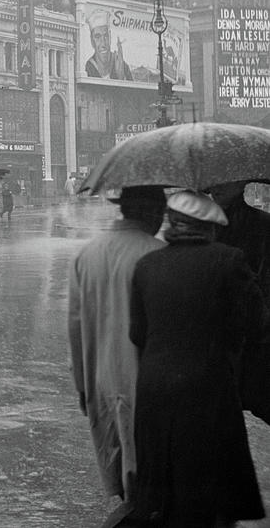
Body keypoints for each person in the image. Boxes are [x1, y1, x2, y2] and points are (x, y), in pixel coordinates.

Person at [126, 189, 266, 527]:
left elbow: (137, 334)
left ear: (172, 224)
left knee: (162, 468)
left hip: (153, 386)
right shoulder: (229, 260)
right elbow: (255, 322)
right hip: (208, 385)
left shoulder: (147, 265)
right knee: (208, 471)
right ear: (210, 227)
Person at [68, 185, 167, 508]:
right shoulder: (158, 254)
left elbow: (76, 326)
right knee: (151, 476)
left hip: (100, 379)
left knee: (119, 465)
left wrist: (82, 386)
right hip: (147, 382)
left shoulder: (87, 254)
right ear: (152, 213)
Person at [207, 180, 270, 300]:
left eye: (225, 181)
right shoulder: (205, 223)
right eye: (213, 181)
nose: (216, 187)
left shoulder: (261, 222)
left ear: (241, 183)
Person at [85, 9, 133, 80]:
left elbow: (132, 89)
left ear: (110, 37)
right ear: (92, 41)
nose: (103, 43)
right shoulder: (90, 67)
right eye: (98, 37)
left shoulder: (122, 65)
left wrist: (121, 76)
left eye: (105, 36)